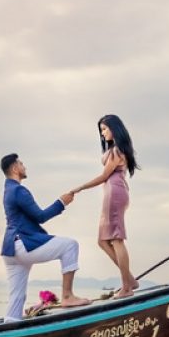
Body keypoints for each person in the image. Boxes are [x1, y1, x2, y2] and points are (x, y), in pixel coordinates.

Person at [0, 152, 90, 321]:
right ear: (14, 168)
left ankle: (10, 332)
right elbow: (40, 216)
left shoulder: (8, 190)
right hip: (23, 245)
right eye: (21, 163)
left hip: (10, 250)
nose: (24, 166)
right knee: (70, 245)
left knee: (16, 301)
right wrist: (61, 202)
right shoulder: (18, 190)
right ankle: (68, 296)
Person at [63, 114, 139, 296]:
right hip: (112, 192)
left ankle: (127, 287)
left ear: (115, 128)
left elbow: (104, 176)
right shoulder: (116, 150)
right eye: (101, 130)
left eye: (105, 129)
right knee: (103, 241)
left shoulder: (116, 152)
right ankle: (129, 280)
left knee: (116, 239)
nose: (102, 133)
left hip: (115, 193)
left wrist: (80, 187)